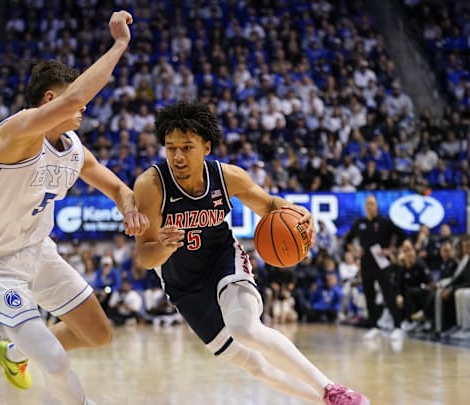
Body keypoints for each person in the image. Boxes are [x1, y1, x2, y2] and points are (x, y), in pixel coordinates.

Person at [0, 11, 148, 405]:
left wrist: (128, 207)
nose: (83, 108)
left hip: (38, 253)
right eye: (72, 98)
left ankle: (11, 354)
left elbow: (116, 186)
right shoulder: (16, 134)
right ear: (50, 100)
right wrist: (120, 45)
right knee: (56, 363)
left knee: (98, 333)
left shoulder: (74, 149)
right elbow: (77, 97)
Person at [133, 102, 369, 405]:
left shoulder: (228, 177)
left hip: (222, 260)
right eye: (170, 147)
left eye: (186, 147)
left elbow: (269, 205)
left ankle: (331, 389)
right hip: (183, 285)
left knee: (245, 328)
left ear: (206, 147)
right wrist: (163, 246)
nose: (177, 156)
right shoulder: (151, 186)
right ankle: (328, 401)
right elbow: (145, 257)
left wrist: (297, 212)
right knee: (255, 365)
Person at [343, 195, 406, 340]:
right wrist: (355, 252)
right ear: (365, 206)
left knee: (388, 294)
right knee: (369, 295)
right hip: (366, 262)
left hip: (382, 263)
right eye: (368, 204)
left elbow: (401, 235)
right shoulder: (360, 223)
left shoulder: (384, 222)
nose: (370, 206)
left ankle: (397, 326)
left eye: (372, 203)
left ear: (376, 206)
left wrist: (391, 250)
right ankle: (374, 326)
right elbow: (348, 240)